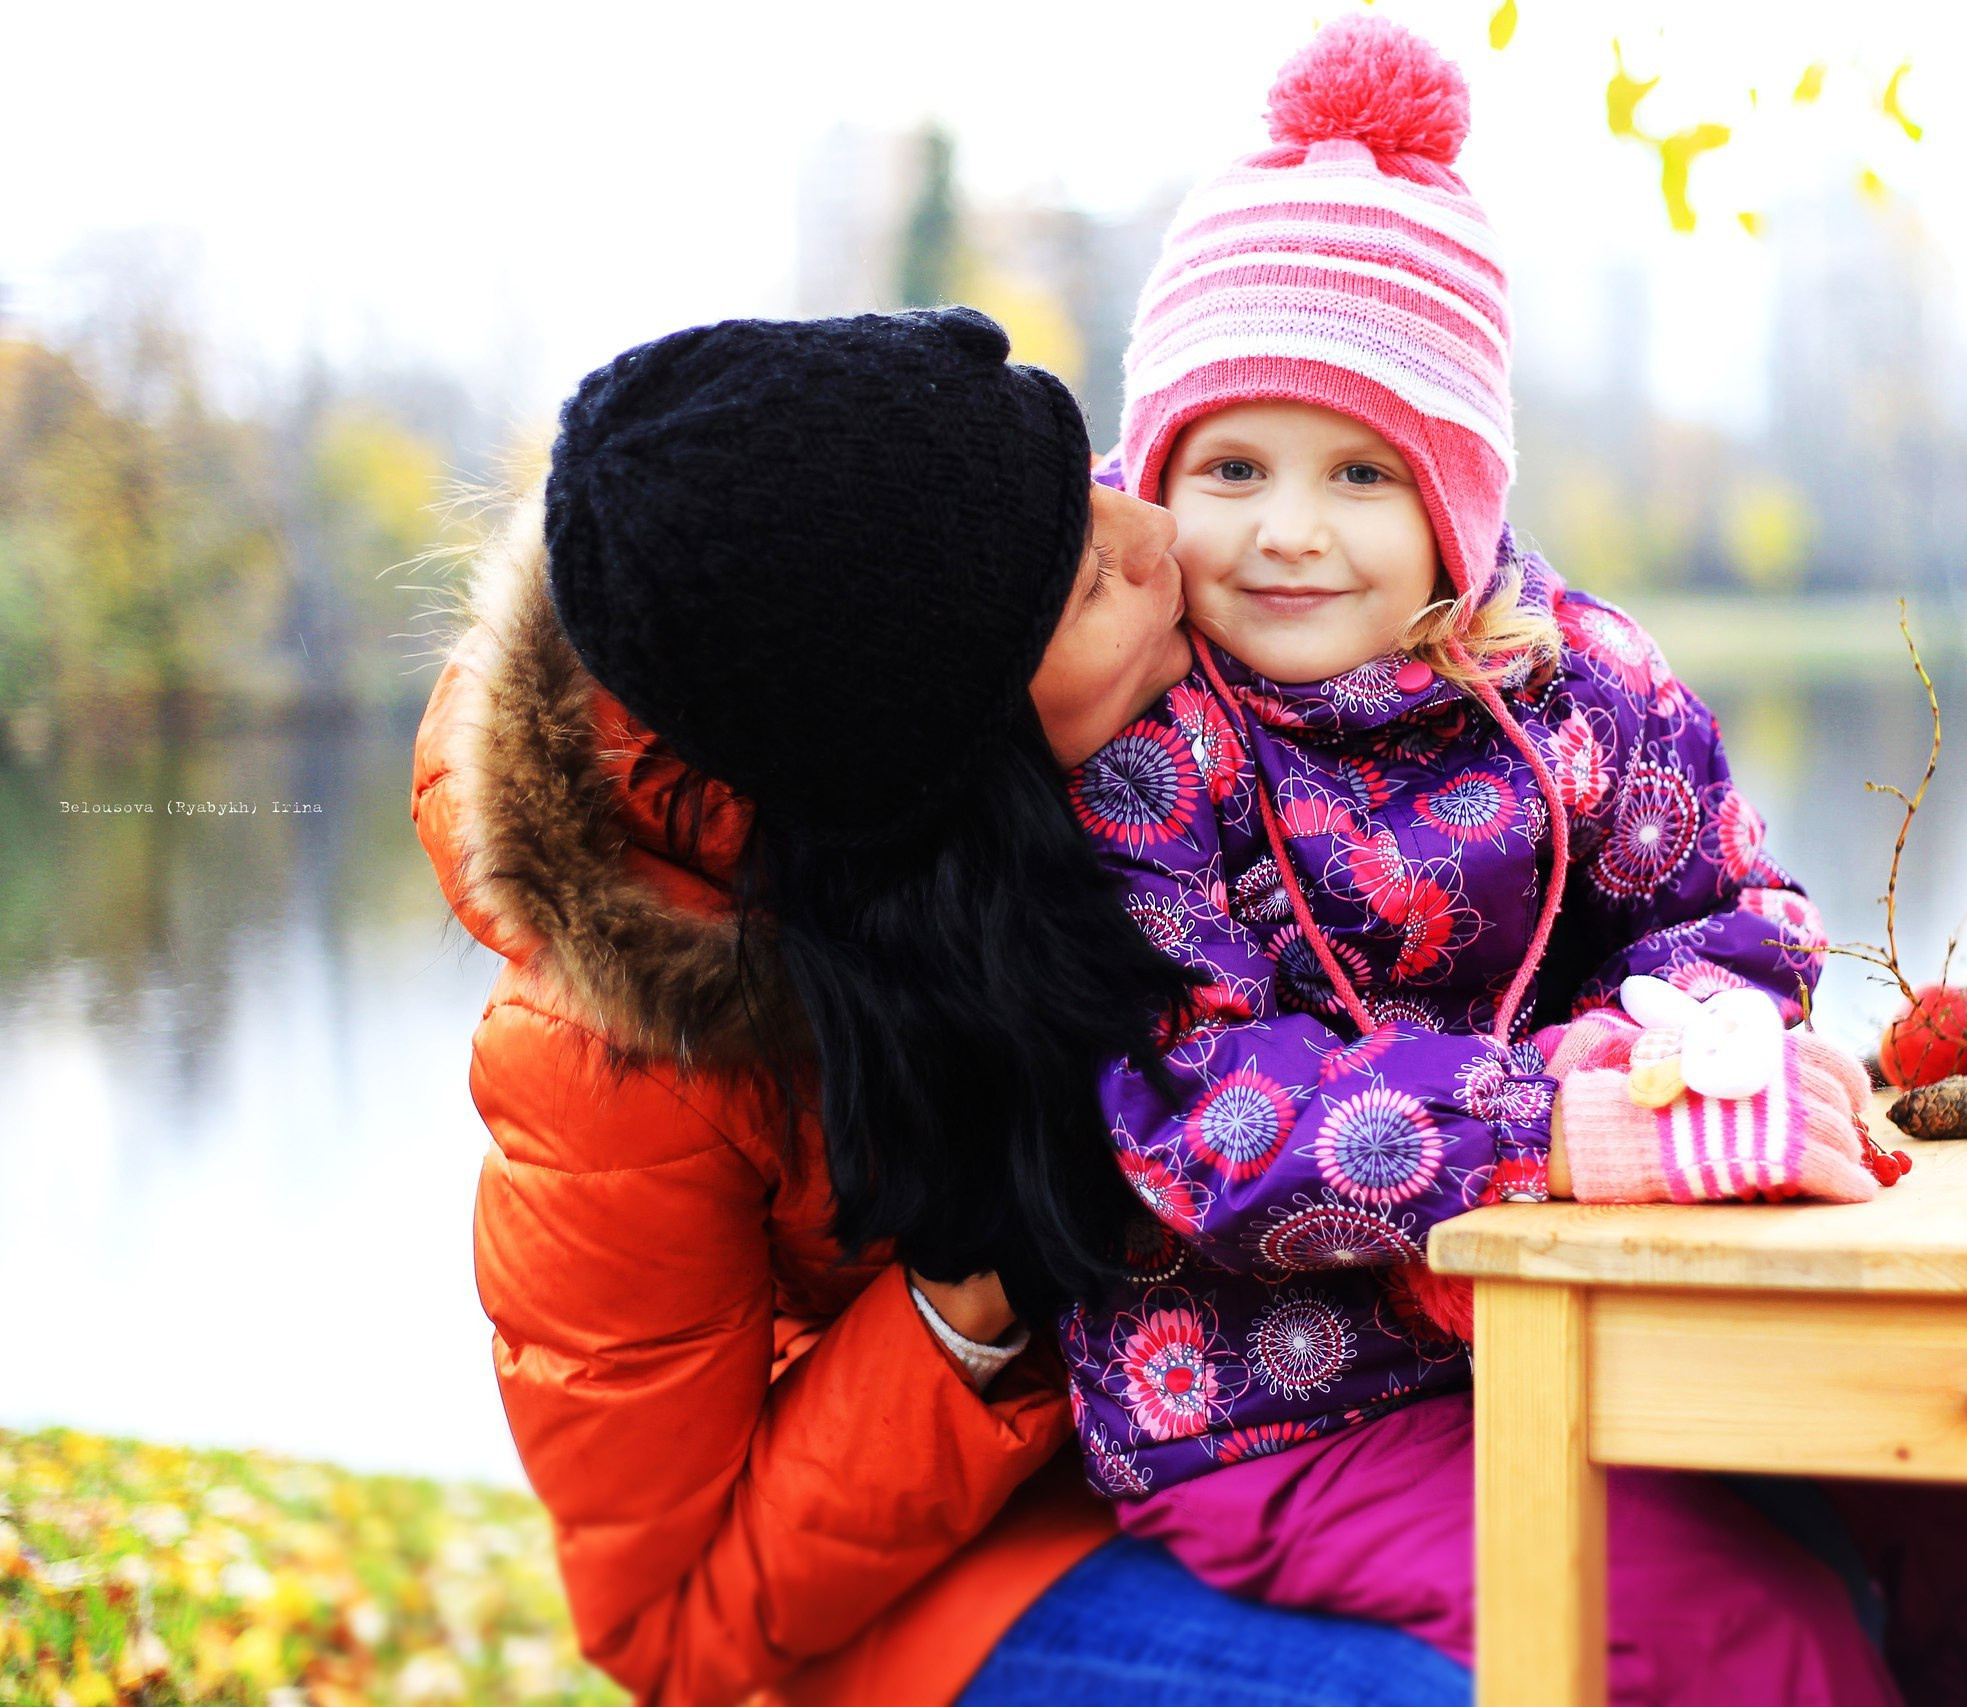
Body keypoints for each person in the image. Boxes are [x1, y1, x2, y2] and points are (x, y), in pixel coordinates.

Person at [1051, 17, 1967, 1705]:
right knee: (1756, 1636)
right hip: (1273, 1395)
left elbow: (1739, 914)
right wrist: (1563, 1117)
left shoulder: (1572, 681)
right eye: (1230, 466)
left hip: (1609, 1303)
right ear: (1156, 477)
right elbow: (1202, 1121)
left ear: (1457, 495)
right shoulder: (1148, 752)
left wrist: (1667, 1047)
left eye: (1362, 471)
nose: (1288, 528)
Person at [411, 306, 1473, 1706]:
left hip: (1287, 1435)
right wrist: (962, 1303)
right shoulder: (606, 1061)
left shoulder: (1128, 695)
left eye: (1090, 481)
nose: (1154, 533)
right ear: (958, 762)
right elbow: (668, 1631)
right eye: (1087, 584)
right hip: (959, 1573)